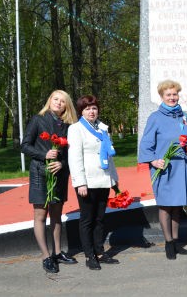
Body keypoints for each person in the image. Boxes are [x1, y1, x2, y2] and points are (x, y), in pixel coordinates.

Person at [21, 90, 78, 273]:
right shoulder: (38, 120)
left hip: (59, 175)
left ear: (66, 105)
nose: (59, 103)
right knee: (40, 215)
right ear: (49, 101)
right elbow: (25, 145)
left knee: (56, 215)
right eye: (56, 99)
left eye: (63, 101)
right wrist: (44, 154)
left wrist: (62, 164)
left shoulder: (69, 126)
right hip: (40, 172)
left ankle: (57, 253)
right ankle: (46, 256)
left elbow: (71, 154)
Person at [139, 80, 187, 260]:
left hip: (182, 167)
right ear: (162, 97)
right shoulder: (155, 117)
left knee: (178, 205)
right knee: (166, 205)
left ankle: (177, 241)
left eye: (174, 94)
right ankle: (169, 243)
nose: (172, 97)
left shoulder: (184, 116)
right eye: (168, 95)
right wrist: (153, 161)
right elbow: (146, 143)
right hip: (164, 167)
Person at [68, 95, 120, 270]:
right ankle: (89, 255)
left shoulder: (102, 128)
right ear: (81, 111)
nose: (92, 111)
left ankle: (100, 252)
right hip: (87, 182)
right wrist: (80, 182)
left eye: (94, 108)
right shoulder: (76, 129)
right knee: (87, 219)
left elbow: (107, 156)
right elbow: (74, 158)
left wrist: (114, 180)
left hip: (104, 179)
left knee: (99, 219)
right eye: (87, 108)